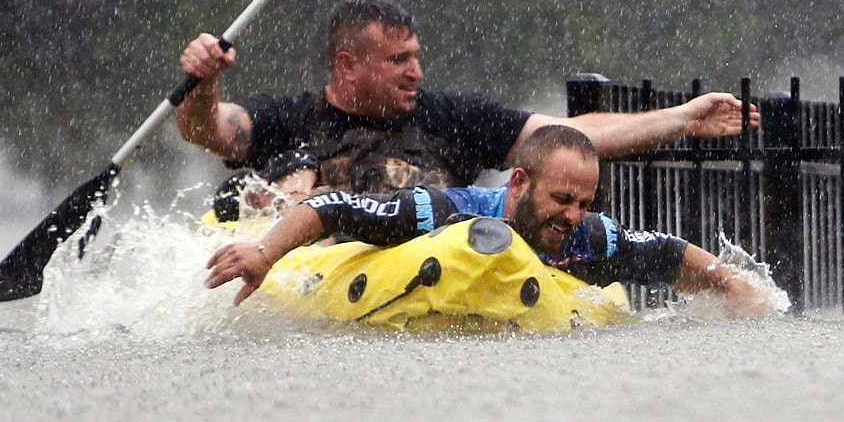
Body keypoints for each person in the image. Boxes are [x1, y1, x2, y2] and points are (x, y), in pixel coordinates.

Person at [177, 0, 757, 197]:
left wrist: (681, 118)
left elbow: (569, 137)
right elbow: (210, 130)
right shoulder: (292, 118)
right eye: (398, 60)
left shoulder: (453, 118)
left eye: (417, 57)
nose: (416, 73)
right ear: (347, 66)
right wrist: (204, 81)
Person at [205, 124, 776, 317]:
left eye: (584, 202)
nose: (571, 215)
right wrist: (264, 253)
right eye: (561, 199)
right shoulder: (443, 209)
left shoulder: (585, 234)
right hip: (347, 262)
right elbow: (334, 208)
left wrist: (735, 285)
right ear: (519, 183)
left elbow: (668, 252)